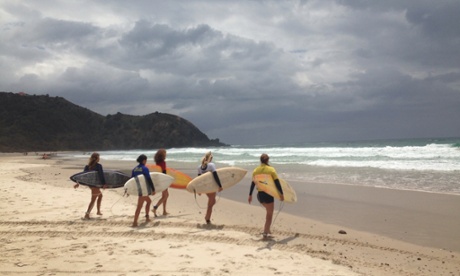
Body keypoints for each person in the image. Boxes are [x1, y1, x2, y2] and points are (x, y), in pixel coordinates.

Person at [248, 153, 284, 239]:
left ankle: (267, 229)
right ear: (268, 160)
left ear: (261, 160)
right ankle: (265, 232)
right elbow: (277, 182)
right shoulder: (271, 170)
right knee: (269, 214)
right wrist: (281, 194)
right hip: (268, 194)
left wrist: (250, 195)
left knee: (268, 211)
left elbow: (253, 183)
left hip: (260, 195)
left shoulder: (256, 170)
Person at [74, 152, 107, 219]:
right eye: (99, 157)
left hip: (90, 185)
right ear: (96, 158)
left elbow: (83, 176)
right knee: (93, 200)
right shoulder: (98, 166)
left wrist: (78, 183)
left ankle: (98, 211)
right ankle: (87, 214)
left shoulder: (87, 166)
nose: (99, 159)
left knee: (100, 196)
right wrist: (104, 184)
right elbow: (101, 175)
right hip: (95, 185)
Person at [197, 151, 223, 224]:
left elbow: (199, 180)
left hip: (205, 188)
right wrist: (220, 186)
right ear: (210, 158)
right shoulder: (211, 165)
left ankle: (207, 217)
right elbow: (215, 175)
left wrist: (200, 190)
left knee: (212, 201)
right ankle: (207, 218)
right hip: (211, 187)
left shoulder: (199, 167)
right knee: (211, 203)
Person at [131, 154, 156, 227]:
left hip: (138, 189)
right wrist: (153, 189)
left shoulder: (134, 169)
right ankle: (135, 222)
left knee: (148, 201)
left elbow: (132, 180)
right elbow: (148, 179)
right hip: (144, 189)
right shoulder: (145, 168)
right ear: (144, 160)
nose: (146, 162)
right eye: (146, 160)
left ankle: (147, 217)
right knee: (139, 206)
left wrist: (131, 190)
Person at [152, 149, 169, 217]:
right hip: (163, 180)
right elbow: (164, 173)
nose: (166, 155)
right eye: (165, 154)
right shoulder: (163, 163)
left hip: (159, 180)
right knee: (166, 196)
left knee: (164, 195)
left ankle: (164, 211)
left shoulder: (157, 163)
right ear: (162, 155)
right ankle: (155, 208)